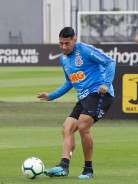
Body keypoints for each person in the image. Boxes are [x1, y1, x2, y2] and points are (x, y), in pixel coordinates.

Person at [37, 27, 115, 179]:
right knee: (67, 128)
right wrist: (52, 96)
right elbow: (69, 82)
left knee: (83, 125)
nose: (64, 47)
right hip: (84, 98)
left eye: (67, 43)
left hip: (99, 93)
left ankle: (88, 170)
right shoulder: (63, 58)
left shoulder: (85, 50)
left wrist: (106, 83)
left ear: (74, 40)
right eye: (61, 43)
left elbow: (110, 62)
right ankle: (63, 167)